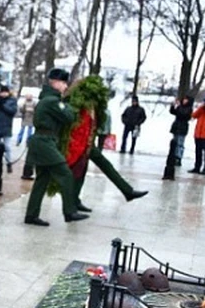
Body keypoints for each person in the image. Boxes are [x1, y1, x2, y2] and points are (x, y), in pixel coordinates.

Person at [60, 78, 148, 213]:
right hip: (78, 143)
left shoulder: (92, 105)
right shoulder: (75, 102)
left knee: (101, 167)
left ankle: (127, 191)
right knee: (78, 173)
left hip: (88, 143)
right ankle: (73, 202)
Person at [23, 68, 89, 226]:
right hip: (45, 142)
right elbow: (69, 117)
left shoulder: (48, 99)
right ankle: (69, 211)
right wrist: (69, 107)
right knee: (65, 174)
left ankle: (31, 215)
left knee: (42, 179)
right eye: (64, 83)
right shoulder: (52, 101)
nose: (66, 86)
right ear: (55, 82)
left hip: (42, 141)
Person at [169, 95, 193, 165]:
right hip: (176, 126)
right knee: (174, 142)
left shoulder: (189, 108)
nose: (184, 101)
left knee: (180, 143)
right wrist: (173, 106)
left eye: (186, 100)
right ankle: (174, 156)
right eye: (184, 99)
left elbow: (183, 115)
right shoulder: (180, 107)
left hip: (183, 127)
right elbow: (173, 112)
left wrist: (179, 107)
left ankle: (178, 157)